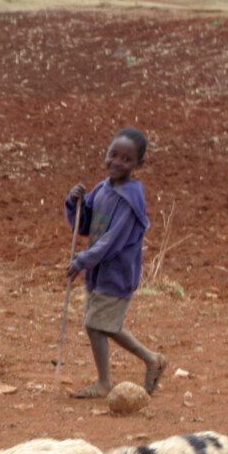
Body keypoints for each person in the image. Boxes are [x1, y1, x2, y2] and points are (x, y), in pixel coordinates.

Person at [64, 127, 166, 400]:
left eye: (126, 159)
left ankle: (105, 382)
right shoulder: (102, 188)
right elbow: (83, 224)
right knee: (103, 324)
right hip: (99, 271)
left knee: (96, 324)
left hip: (117, 273)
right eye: (113, 155)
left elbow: (111, 241)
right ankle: (152, 359)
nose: (117, 162)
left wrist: (82, 260)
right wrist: (74, 202)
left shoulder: (130, 200)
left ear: (138, 164)